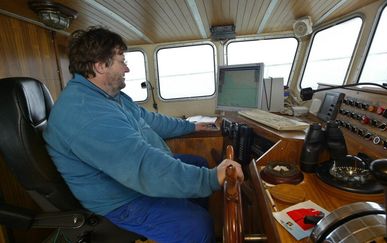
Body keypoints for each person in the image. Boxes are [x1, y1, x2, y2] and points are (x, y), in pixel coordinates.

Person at [43, 26, 244, 243]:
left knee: (198, 163)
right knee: (197, 225)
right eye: (122, 61)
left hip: (133, 176)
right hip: (121, 200)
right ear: (101, 66)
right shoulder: (85, 113)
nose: (127, 69)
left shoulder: (110, 97)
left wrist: (191, 127)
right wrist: (212, 178)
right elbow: (143, 167)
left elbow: (149, 120)